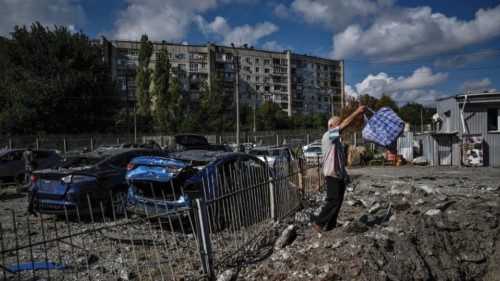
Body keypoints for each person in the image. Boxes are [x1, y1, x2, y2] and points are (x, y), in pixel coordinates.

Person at [311, 105, 366, 233]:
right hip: (331, 174)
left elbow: (340, 161)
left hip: (338, 174)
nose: (341, 125)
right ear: (331, 126)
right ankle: (319, 221)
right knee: (334, 199)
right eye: (338, 123)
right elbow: (346, 124)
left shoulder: (336, 141)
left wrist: (345, 175)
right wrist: (357, 112)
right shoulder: (329, 135)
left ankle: (330, 225)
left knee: (338, 200)